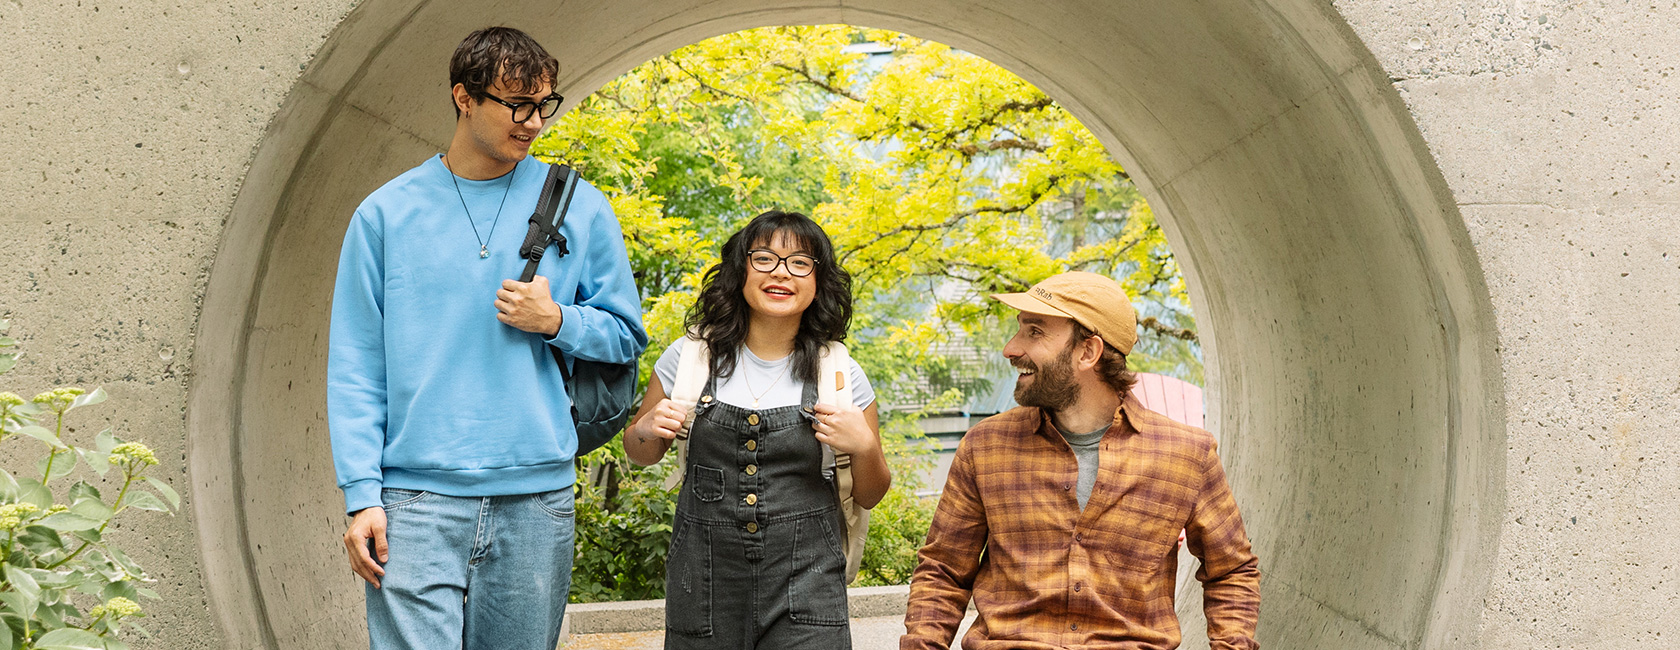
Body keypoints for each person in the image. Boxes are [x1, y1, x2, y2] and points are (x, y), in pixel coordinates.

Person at [326, 26, 647, 650]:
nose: (532, 122)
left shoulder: (579, 207)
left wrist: (558, 321)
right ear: (464, 97)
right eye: (516, 105)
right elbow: (357, 365)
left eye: (544, 105)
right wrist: (362, 495)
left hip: (537, 496)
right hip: (415, 502)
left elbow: (626, 336)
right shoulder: (386, 214)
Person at [901, 271, 1261, 650]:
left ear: (1088, 352)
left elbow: (1232, 571)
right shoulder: (985, 447)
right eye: (1019, 330)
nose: (1010, 348)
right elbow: (942, 572)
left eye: (1034, 332)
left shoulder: (1187, 454)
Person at [624, 210, 890, 649]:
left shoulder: (840, 372)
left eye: (800, 262)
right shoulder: (690, 358)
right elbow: (641, 451)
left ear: (818, 281)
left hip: (809, 584)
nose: (781, 273)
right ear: (740, 270)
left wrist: (864, 447)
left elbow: (870, 494)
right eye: (764, 258)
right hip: (703, 583)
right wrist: (648, 427)